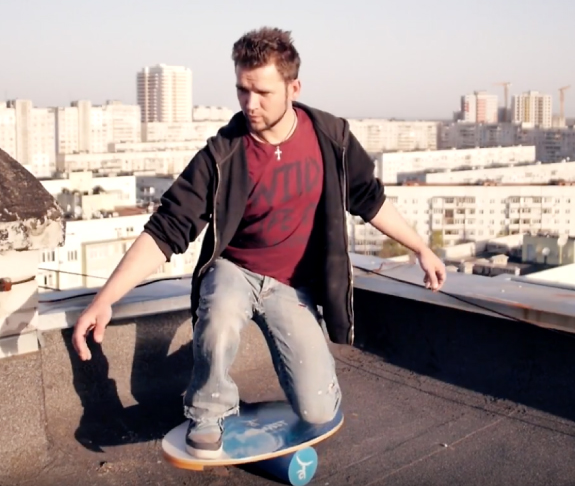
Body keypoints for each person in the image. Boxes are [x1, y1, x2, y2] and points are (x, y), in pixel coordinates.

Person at [71, 27, 447, 459]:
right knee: (221, 314)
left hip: (292, 286)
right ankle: (209, 410)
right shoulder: (222, 154)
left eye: (262, 92)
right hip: (236, 271)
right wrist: (105, 300)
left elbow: (369, 198)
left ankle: (269, 375)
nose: (249, 104)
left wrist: (421, 247)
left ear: (294, 87)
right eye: (241, 90)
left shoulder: (331, 137)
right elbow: (166, 228)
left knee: (319, 411)